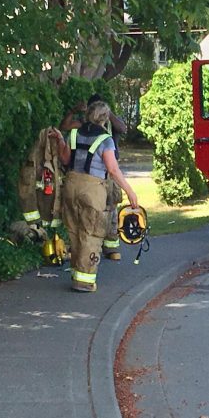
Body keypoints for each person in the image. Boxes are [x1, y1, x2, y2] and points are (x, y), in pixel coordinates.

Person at [50, 101, 138, 292]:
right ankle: (85, 280)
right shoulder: (106, 140)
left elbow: (65, 159)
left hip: (71, 184)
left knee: (74, 231)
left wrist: (61, 141)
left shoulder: (74, 134)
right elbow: (113, 170)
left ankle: (77, 272)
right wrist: (130, 191)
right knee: (91, 233)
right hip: (93, 188)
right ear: (105, 118)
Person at [62, 94, 128, 260]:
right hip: (94, 181)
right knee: (92, 221)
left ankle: (110, 245)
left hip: (83, 180)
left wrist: (108, 114)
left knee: (110, 208)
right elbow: (65, 125)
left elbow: (122, 128)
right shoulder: (86, 130)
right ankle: (88, 260)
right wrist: (131, 192)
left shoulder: (106, 128)